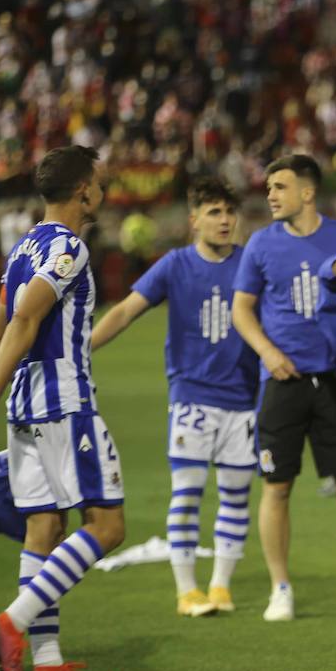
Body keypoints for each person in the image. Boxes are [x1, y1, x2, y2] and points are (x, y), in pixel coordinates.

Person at [0, 145, 124, 671]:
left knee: (44, 529)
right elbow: (26, 314)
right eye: (101, 183)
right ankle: (9, 626)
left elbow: (0, 331)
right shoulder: (69, 248)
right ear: (82, 190)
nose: (104, 191)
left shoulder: (22, 246)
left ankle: (46, 665)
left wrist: (3, 382)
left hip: (25, 408)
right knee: (108, 527)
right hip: (63, 402)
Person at [231, 154, 336, 622]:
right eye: (269, 187)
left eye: (279, 187)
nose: (270, 195)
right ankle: (279, 588)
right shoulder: (261, 244)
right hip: (282, 381)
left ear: (307, 193)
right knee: (277, 486)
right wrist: (266, 351)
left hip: (334, 379)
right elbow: (242, 310)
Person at [90, 177, 260, 618]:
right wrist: (84, 345)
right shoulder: (175, 265)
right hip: (193, 397)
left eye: (229, 212)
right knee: (187, 495)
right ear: (194, 220)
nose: (225, 221)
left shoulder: (250, 262)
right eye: (214, 213)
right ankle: (187, 591)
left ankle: (220, 587)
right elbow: (127, 309)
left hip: (244, 398)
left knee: (235, 497)